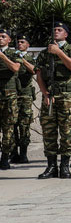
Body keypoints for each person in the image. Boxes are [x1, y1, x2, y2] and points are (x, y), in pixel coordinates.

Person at [35, 22, 71, 179]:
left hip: (67, 98)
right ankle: (51, 166)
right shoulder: (44, 53)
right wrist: (44, 93)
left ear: (66, 34)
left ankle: (65, 166)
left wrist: (58, 52)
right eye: (54, 29)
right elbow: (39, 74)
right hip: (50, 97)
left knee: (67, 132)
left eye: (59, 30)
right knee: (49, 131)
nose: (56, 31)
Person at [0, 28, 23, 170]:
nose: (0, 38)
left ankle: (5, 157)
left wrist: (2, 57)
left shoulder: (14, 53)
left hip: (9, 96)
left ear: (9, 40)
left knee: (8, 128)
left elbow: (15, 68)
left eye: (3, 36)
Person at [13, 34, 36, 164]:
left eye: (22, 42)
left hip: (25, 95)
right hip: (12, 95)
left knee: (24, 125)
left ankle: (23, 153)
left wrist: (23, 60)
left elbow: (34, 71)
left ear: (28, 45)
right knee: (11, 125)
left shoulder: (30, 58)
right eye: (18, 42)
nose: (19, 44)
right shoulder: (11, 56)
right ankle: (13, 152)